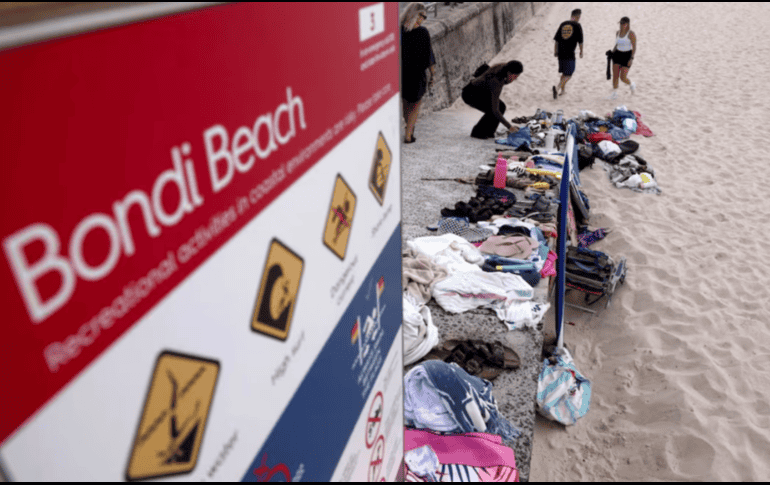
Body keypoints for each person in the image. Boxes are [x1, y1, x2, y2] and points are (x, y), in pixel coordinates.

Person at [400, 3, 436, 144]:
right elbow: (429, 56)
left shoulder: (399, 31)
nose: (424, 19)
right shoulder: (423, 32)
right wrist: (433, 75)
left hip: (402, 74)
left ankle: (409, 129)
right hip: (417, 74)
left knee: (406, 104)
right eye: (423, 16)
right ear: (416, 14)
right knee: (415, 105)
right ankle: (408, 134)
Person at [461, 61, 523, 139]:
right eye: (514, 76)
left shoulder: (503, 68)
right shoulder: (497, 81)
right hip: (470, 94)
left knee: (501, 107)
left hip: (481, 92)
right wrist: (509, 127)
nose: (515, 79)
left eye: (517, 76)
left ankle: (490, 131)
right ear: (509, 72)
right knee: (493, 110)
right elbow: (495, 109)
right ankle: (477, 132)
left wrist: (507, 81)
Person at [553, 9, 584, 99]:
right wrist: (581, 51)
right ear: (578, 17)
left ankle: (563, 91)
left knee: (564, 73)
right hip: (569, 53)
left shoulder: (563, 24)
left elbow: (556, 40)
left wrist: (555, 51)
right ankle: (558, 87)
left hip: (560, 53)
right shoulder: (577, 25)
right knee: (569, 74)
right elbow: (581, 41)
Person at [609, 16, 636, 100]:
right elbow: (617, 45)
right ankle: (614, 93)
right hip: (617, 54)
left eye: (623, 24)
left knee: (623, 77)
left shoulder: (631, 34)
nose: (621, 25)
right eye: (620, 23)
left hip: (627, 56)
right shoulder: (617, 33)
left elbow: (634, 47)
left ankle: (631, 84)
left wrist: (631, 59)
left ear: (627, 24)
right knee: (615, 75)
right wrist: (612, 53)